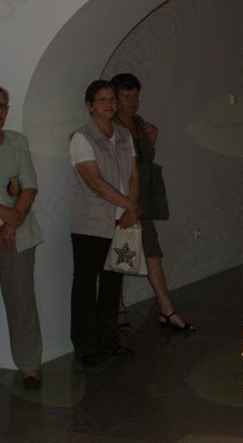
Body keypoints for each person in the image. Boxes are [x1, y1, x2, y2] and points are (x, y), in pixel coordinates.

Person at [110, 73, 195, 332]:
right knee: (119, 255)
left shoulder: (139, 124)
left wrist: (152, 140)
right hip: (122, 201)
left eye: (135, 95)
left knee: (153, 254)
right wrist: (126, 204)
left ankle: (166, 310)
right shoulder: (112, 127)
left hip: (142, 202)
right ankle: (119, 308)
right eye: (126, 96)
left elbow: (146, 158)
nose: (132, 101)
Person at [69, 79, 141, 365]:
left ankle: (109, 341)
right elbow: (96, 183)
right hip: (91, 224)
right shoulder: (81, 138)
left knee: (112, 285)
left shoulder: (124, 134)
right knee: (86, 286)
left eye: (112, 99)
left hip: (122, 222)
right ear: (89, 106)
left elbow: (133, 175)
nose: (109, 104)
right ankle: (87, 347)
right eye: (102, 100)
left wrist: (130, 211)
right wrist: (131, 206)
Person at [0, 86, 44, 388]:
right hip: (10, 220)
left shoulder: (17, 141)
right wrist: (5, 213)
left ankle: (29, 366)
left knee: (22, 301)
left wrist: (13, 221)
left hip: (18, 233)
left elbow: (29, 185)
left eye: (3, 106)